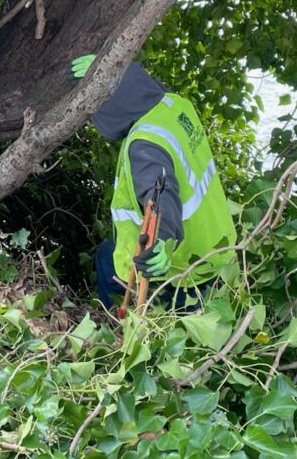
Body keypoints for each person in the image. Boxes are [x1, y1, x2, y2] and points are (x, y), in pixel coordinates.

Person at [70, 55, 236, 310]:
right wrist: (111, 65)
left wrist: (163, 242)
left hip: (180, 270)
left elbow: (161, 192)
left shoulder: (145, 144)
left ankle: (115, 327)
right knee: (107, 253)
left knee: (107, 263)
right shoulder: (174, 106)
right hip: (218, 251)